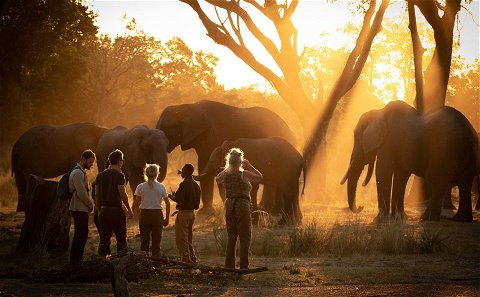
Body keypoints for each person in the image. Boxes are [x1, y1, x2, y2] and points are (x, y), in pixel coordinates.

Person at [216, 148, 262, 269]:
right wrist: (248, 165)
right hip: (243, 206)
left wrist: (229, 167)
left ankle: (229, 266)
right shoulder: (244, 174)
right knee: (245, 237)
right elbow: (259, 177)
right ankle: (243, 266)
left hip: (230, 206)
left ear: (229, 161)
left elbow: (217, 178)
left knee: (231, 237)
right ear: (240, 161)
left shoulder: (225, 174)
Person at [95, 149, 134, 256]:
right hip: (116, 211)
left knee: (104, 241)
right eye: (122, 160)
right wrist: (129, 210)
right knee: (121, 240)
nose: (122, 162)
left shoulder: (100, 175)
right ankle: (121, 264)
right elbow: (122, 193)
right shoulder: (119, 175)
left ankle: (103, 263)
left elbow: (97, 194)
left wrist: (99, 209)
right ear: (118, 161)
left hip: (103, 211)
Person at [133, 164, 170, 257]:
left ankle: (144, 263)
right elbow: (168, 204)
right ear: (157, 174)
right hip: (157, 215)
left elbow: (136, 203)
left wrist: (135, 214)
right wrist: (167, 218)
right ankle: (156, 263)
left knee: (144, 242)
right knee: (156, 242)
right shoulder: (161, 186)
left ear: (145, 173)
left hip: (144, 215)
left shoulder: (140, 186)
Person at [169, 163, 201, 264]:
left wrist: (170, 196)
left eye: (182, 171)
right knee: (188, 237)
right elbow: (196, 203)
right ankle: (193, 258)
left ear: (186, 172)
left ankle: (186, 260)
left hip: (183, 214)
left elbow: (178, 199)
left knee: (181, 238)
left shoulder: (184, 184)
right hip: (192, 214)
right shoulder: (196, 185)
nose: (181, 172)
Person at [69, 149, 96, 265]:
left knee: (82, 234)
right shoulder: (78, 173)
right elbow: (81, 193)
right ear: (83, 159)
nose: (91, 164)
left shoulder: (80, 172)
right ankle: (75, 261)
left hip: (80, 207)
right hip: (78, 207)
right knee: (80, 235)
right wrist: (90, 203)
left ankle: (76, 260)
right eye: (90, 162)